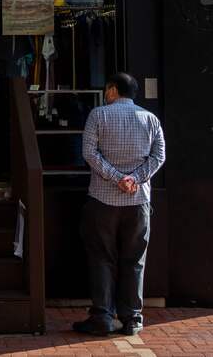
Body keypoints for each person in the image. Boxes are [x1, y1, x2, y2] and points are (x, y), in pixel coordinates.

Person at [73, 72, 166, 337]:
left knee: (102, 258)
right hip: (138, 201)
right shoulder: (150, 119)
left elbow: (89, 153)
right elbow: (159, 156)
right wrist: (134, 179)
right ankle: (132, 319)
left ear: (113, 90)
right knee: (135, 260)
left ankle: (102, 316)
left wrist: (116, 178)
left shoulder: (98, 115)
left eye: (107, 90)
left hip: (103, 200)